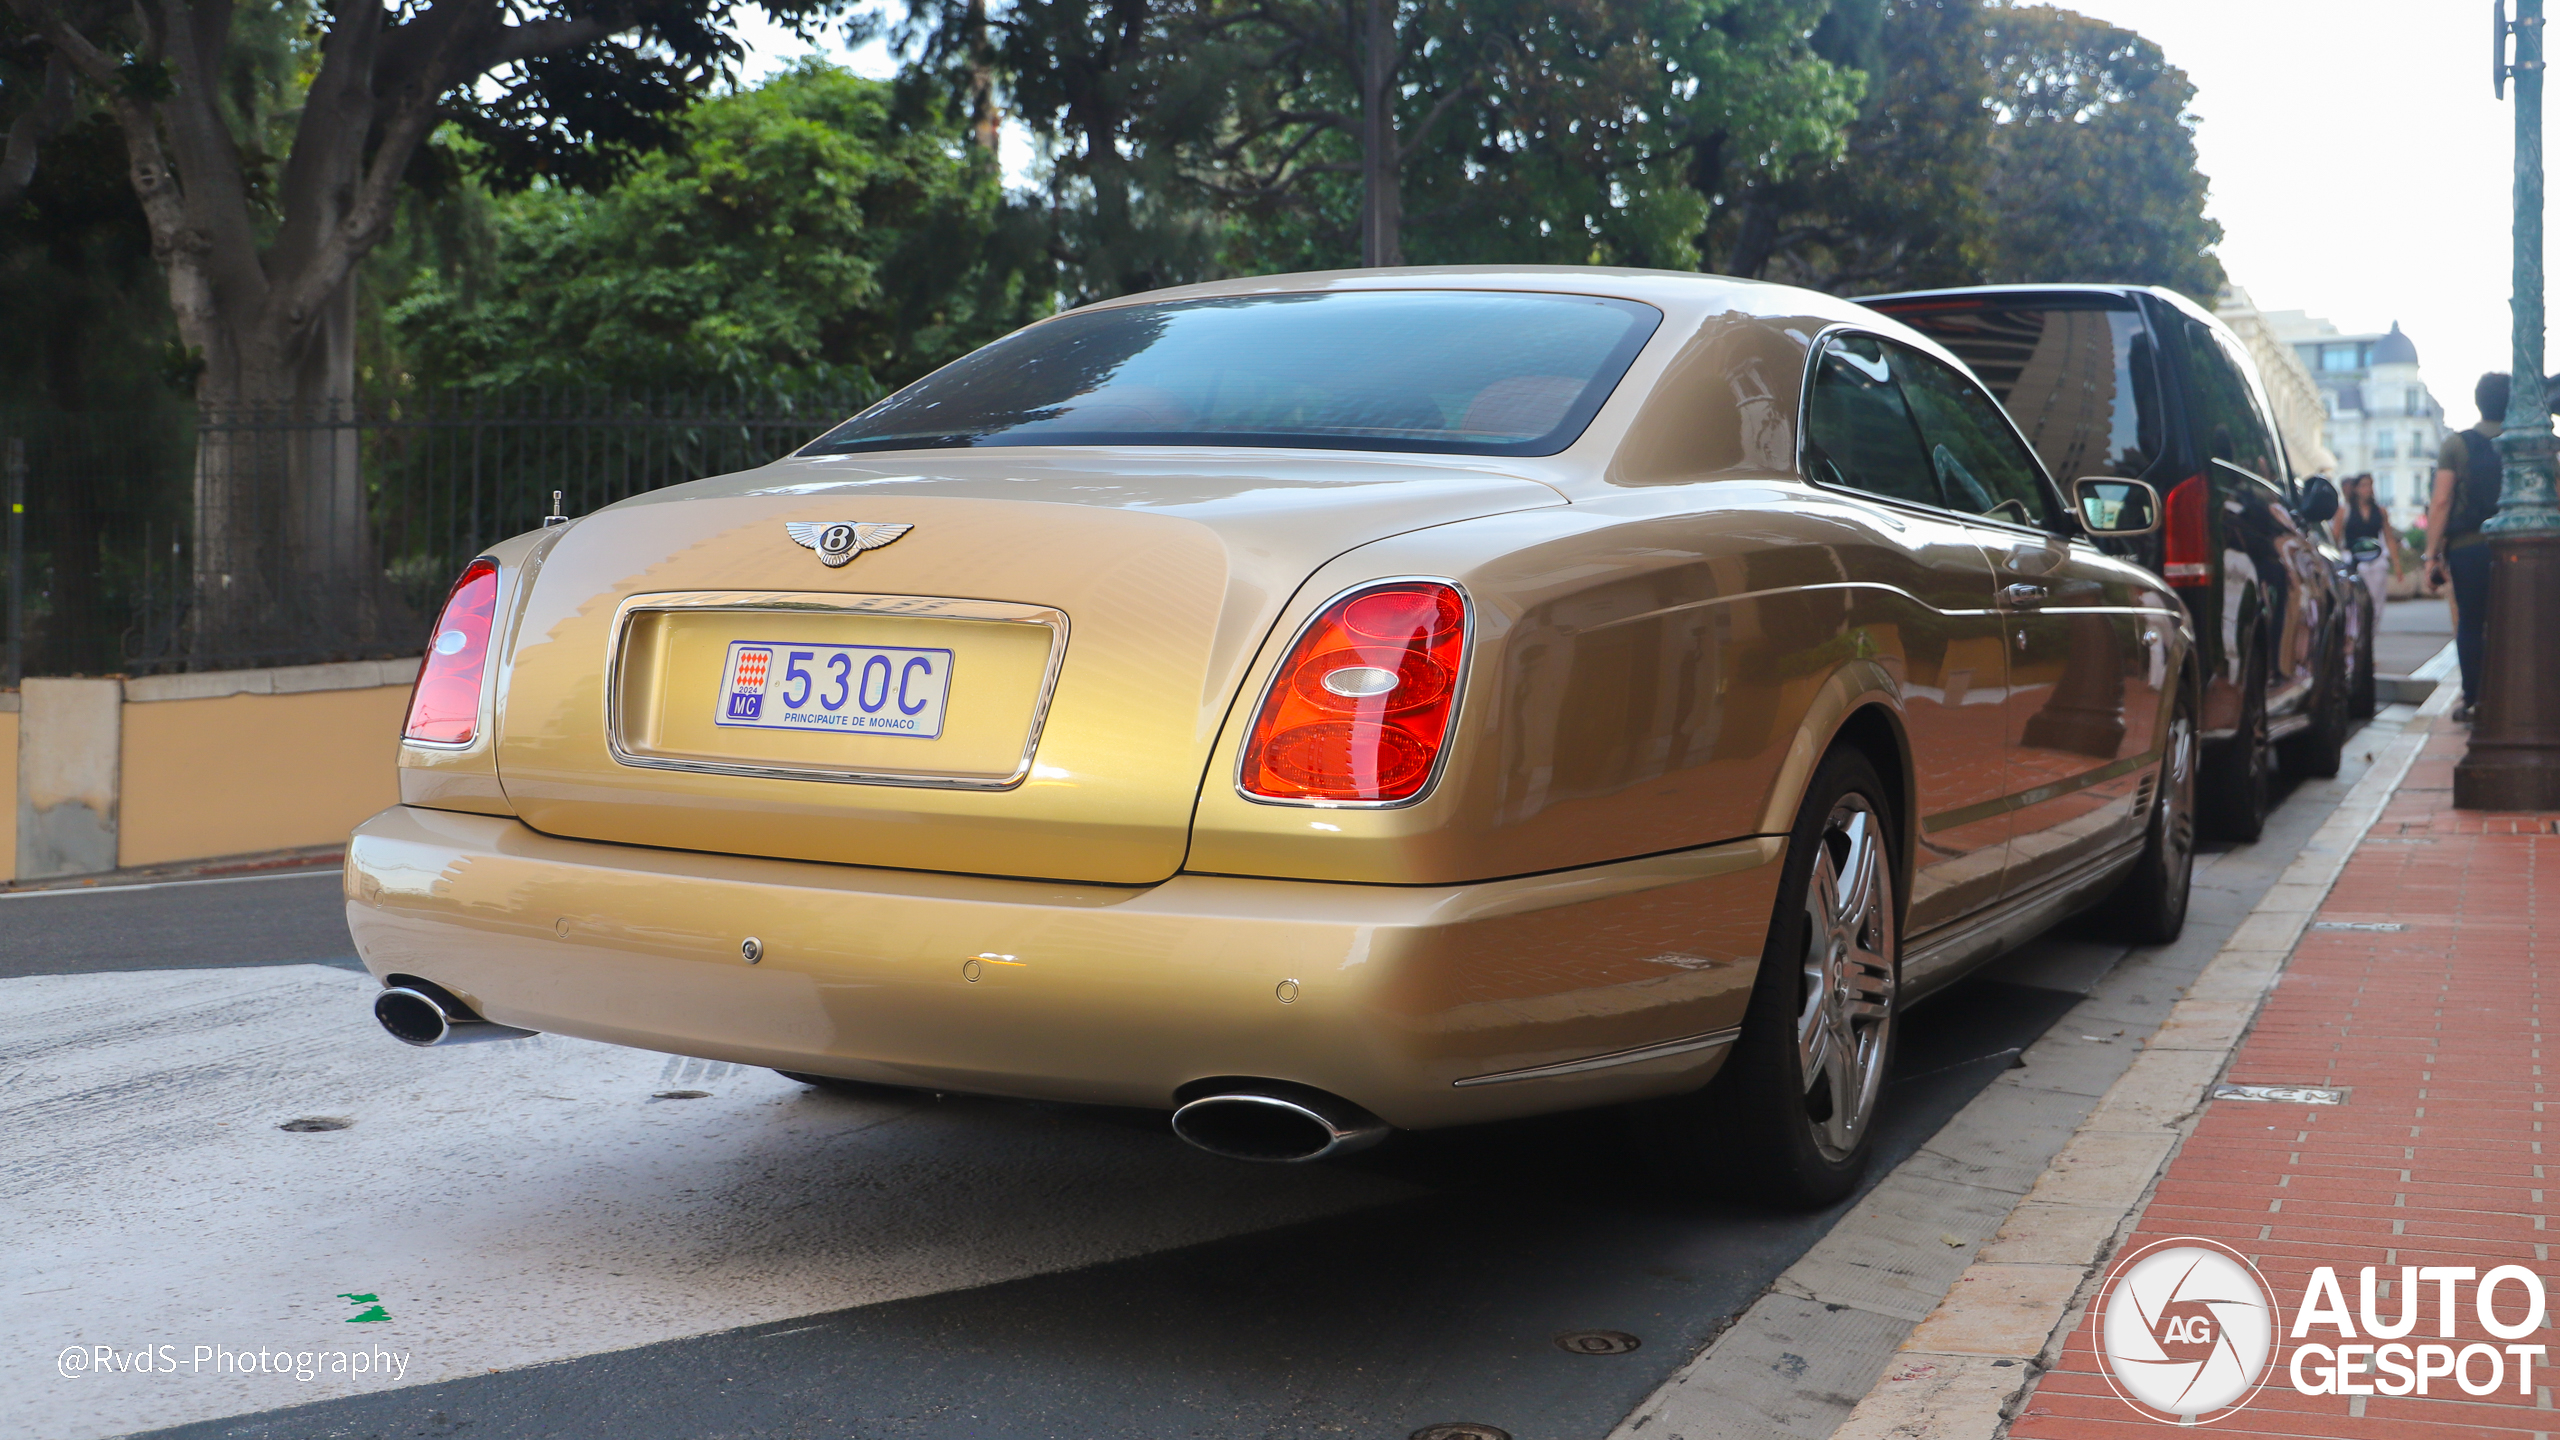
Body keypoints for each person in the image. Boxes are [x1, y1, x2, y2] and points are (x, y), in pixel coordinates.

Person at [2426, 373, 2509, 723]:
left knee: (2471, 624)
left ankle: (2473, 698)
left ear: (2478, 402)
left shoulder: (2457, 445)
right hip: (2516, 547)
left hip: (2468, 547)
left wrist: (2431, 554)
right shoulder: (2529, 442)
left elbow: (2442, 500)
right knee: (2515, 622)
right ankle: (2513, 696)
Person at [2333, 473, 2402, 618]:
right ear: (2356, 489)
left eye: (2370, 485)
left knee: (2376, 598)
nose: (2368, 489)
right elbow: (2335, 537)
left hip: (2376, 558)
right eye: (2364, 485)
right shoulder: (2345, 511)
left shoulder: (2380, 511)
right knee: (2354, 599)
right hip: (2352, 558)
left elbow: (2389, 537)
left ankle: (2372, 629)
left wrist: (2396, 564)